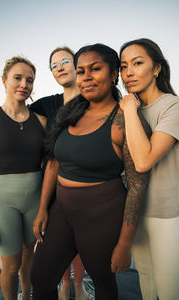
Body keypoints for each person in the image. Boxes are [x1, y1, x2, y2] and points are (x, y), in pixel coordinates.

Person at [31, 43, 150, 300]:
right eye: (81, 70)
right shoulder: (70, 112)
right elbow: (53, 162)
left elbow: (137, 186)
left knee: (103, 283)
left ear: (114, 73)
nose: (86, 77)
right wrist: (43, 208)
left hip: (101, 216)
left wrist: (124, 244)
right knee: (40, 279)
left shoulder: (123, 119)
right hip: (61, 211)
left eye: (95, 69)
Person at [0, 56, 46, 300]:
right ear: (4, 80)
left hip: (34, 200)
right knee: (9, 266)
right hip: (2, 202)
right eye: (18, 78)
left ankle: (26, 295)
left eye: (29, 80)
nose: (24, 84)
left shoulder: (42, 122)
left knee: (30, 256)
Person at [119, 38, 179, 300]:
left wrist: (130, 108)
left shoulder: (172, 107)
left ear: (157, 69)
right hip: (136, 210)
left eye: (137, 63)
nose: (128, 72)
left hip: (167, 214)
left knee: (168, 290)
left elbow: (144, 160)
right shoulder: (126, 108)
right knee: (145, 279)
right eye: (123, 66)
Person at [30, 46, 88, 300]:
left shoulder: (92, 100)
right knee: (56, 240)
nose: (60, 67)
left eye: (65, 61)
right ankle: (65, 283)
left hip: (84, 184)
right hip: (51, 184)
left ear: (77, 65)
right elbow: (14, 113)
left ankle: (78, 285)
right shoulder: (48, 104)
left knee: (79, 242)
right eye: (54, 65)